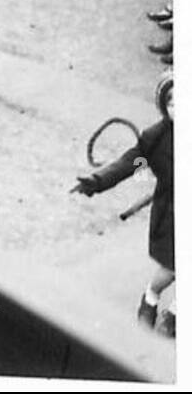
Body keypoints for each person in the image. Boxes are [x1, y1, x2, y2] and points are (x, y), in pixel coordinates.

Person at [73, 73, 175, 337]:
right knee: (173, 268)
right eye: (172, 103)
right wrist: (95, 182)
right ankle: (151, 298)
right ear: (165, 108)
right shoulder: (156, 139)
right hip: (173, 217)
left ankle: (174, 312)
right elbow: (129, 164)